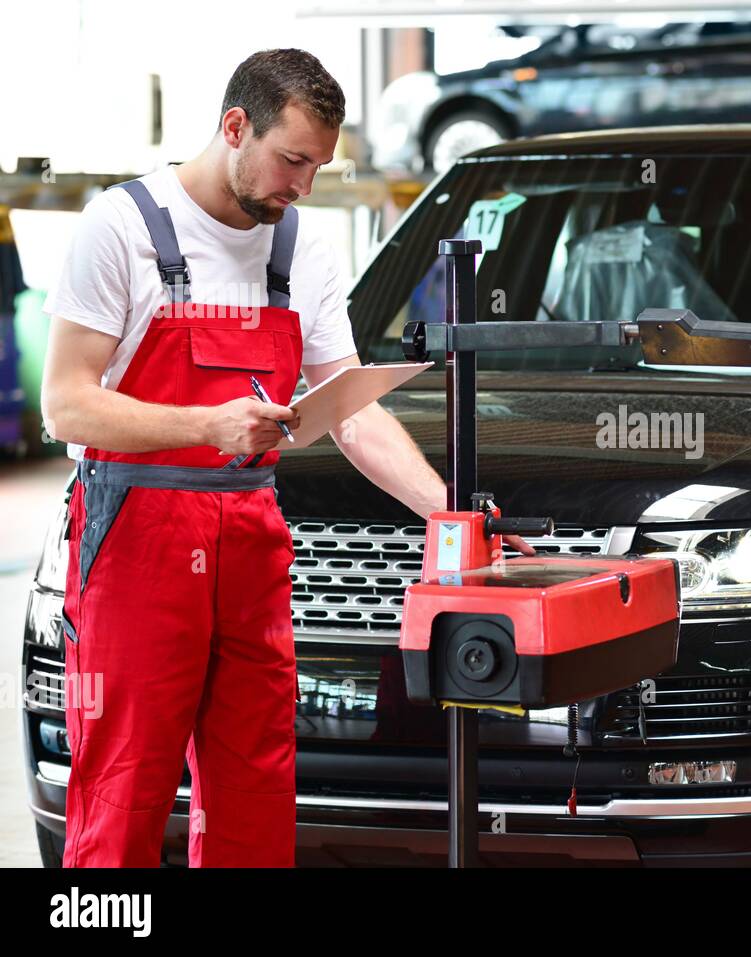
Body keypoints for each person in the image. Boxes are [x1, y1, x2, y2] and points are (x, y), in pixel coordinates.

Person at [39, 48, 531, 868]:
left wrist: (451, 512)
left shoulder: (300, 249)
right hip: (138, 538)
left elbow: (352, 410)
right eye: (292, 159)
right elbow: (67, 404)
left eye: (318, 167)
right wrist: (208, 425)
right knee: (123, 789)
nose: (303, 186)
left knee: (256, 788)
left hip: (251, 539)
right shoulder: (121, 226)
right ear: (236, 126)